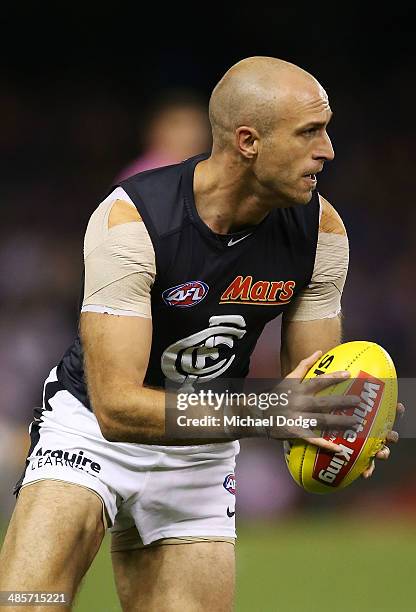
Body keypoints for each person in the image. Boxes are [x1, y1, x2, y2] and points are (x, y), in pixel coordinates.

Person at [0, 56, 403, 612]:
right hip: (90, 433)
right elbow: (119, 406)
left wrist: (344, 428)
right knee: (26, 603)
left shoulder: (322, 233)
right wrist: (279, 412)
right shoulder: (131, 220)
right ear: (248, 141)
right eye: (310, 131)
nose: (328, 150)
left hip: (200, 452)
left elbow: (309, 391)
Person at [116, 88, 211, 181]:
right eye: (178, 125)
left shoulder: (198, 168)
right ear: (156, 131)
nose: (193, 134)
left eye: (198, 124)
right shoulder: (148, 175)